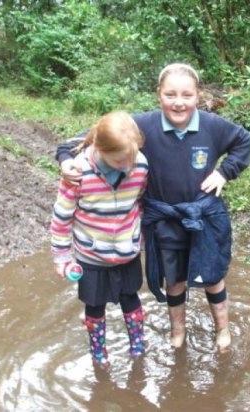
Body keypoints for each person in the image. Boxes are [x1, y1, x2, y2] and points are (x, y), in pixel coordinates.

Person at [56, 63, 250, 352]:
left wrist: (225, 172)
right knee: (174, 281)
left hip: (205, 216)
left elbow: (244, 141)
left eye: (187, 95)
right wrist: (65, 160)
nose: (178, 102)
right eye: (170, 94)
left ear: (198, 96)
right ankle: (178, 332)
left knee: (213, 277)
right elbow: (87, 139)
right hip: (165, 219)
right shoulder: (142, 126)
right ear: (158, 95)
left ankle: (223, 329)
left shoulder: (213, 126)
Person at [50, 110, 149, 368]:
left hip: (127, 251)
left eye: (132, 158)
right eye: (119, 162)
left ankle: (138, 345)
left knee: (131, 297)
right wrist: (62, 256)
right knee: (94, 305)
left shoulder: (140, 165)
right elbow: (62, 217)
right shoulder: (78, 173)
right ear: (99, 148)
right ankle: (98, 352)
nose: (127, 166)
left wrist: (141, 238)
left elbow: (139, 202)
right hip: (91, 255)